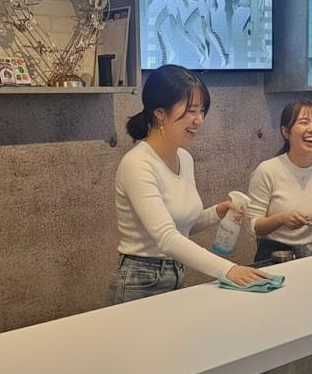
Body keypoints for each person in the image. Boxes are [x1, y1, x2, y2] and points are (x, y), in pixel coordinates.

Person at [110, 64, 265, 304]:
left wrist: (216, 213)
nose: (199, 120)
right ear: (160, 112)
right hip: (140, 280)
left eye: (202, 111)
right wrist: (228, 269)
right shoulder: (137, 163)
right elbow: (166, 237)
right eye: (191, 111)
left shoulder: (184, 158)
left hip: (176, 273)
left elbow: (181, 226)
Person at [247, 100, 312, 263]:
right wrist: (281, 219)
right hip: (274, 256)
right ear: (286, 132)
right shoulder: (267, 170)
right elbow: (253, 225)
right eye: (304, 122)